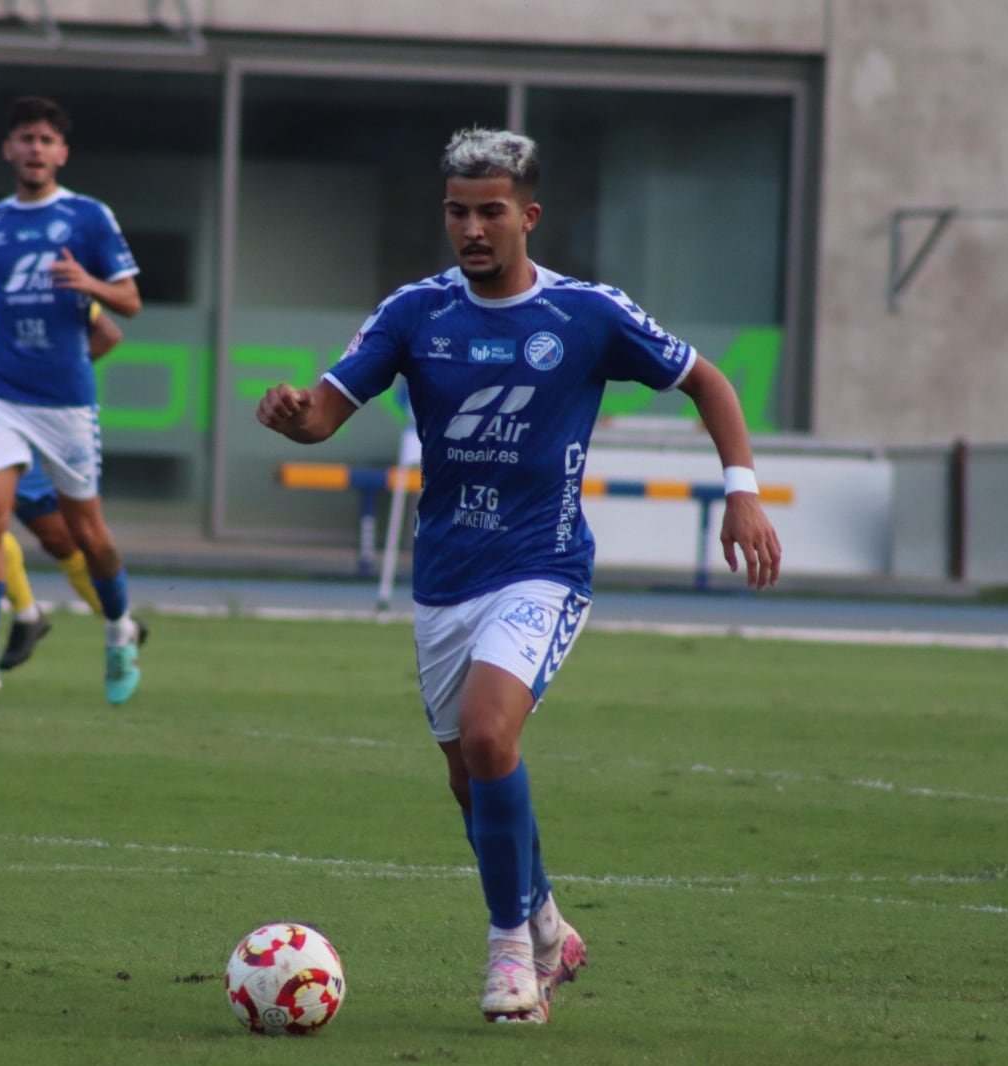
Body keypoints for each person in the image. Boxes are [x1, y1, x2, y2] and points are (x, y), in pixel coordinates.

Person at [257, 127, 782, 1024]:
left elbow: (711, 383)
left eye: (491, 211)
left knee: (491, 737)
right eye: (458, 211)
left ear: (528, 215)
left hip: (543, 566)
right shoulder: (413, 315)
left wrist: (744, 492)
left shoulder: (586, 315)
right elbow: (324, 418)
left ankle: (509, 957)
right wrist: (292, 414)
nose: (472, 227)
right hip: (445, 578)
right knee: (471, 779)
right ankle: (543, 921)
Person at [0, 96, 145, 705]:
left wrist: (90, 285)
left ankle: (119, 632)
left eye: (46, 140)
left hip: (65, 401)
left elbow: (130, 302)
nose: (35, 149)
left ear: (61, 153)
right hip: (2, 393)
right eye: (25, 138)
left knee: (89, 534)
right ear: (9, 150)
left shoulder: (88, 216)